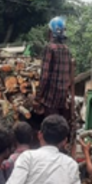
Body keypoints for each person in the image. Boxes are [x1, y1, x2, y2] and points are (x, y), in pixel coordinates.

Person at [31, 17, 76, 155]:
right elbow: (70, 76)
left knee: (50, 132)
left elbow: (44, 76)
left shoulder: (49, 48)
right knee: (60, 130)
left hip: (50, 99)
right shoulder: (67, 50)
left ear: (51, 32)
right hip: (63, 99)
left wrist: (38, 97)